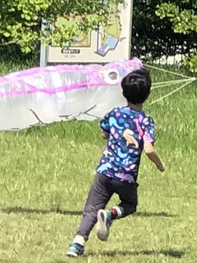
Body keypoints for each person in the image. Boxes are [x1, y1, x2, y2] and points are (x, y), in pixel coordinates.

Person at [67, 68, 166, 257]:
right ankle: (111, 214)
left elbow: (104, 132)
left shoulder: (115, 113)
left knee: (91, 209)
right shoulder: (145, 121)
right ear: (147, 95)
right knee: (130, 204)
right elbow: (149, 149)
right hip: (126, 176)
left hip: (105, 171)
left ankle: (77, 243)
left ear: (122, 92)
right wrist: (159, 165)